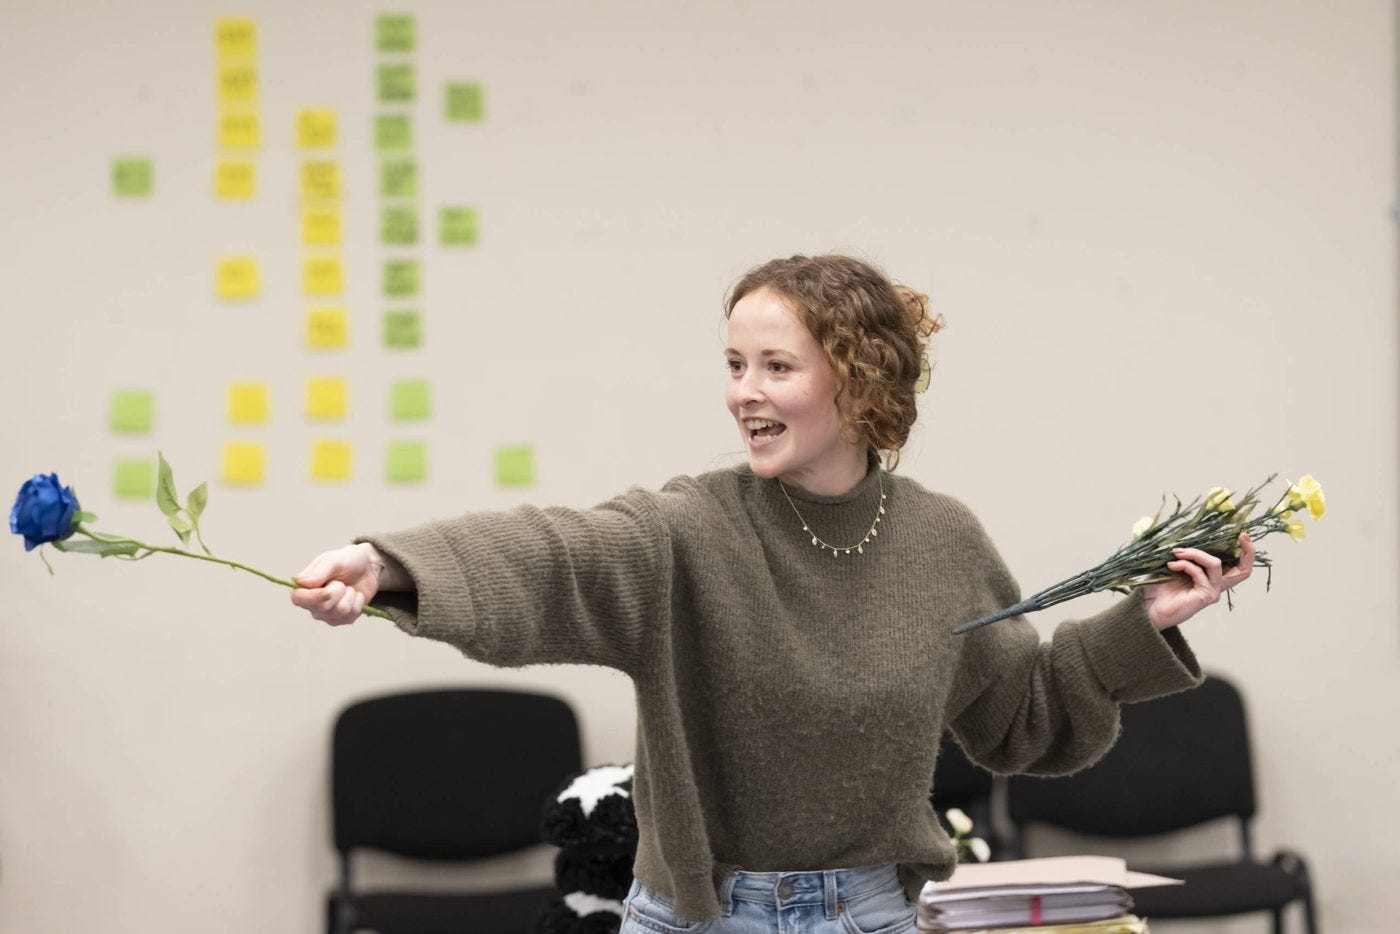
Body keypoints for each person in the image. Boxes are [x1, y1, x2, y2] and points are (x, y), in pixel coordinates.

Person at [291, 254, 1255, 934]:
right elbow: (560, 554)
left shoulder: (939, 538)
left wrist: (1141, 627)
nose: (743, 393)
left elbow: (1023, 721)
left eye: (776, 367)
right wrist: (394, 565)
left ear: (861, 381)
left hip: (876, 916)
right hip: (698, 919)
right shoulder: (691, 529)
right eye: (734, 364)